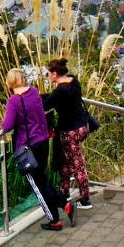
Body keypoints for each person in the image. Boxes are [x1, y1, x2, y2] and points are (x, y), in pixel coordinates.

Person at [0, 67, 66, 230]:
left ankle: (55, 220)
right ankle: (64, 205)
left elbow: (7, 126)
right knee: (42, 179)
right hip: (42, 141)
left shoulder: (14, 101)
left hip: (28, 148)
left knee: (37, 184)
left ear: (10, 82)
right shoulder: (34, 92)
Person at [42, 58, 94, 212]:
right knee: (66, 161)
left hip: (70, 131)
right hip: (82, 126)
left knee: (77, 165)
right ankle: (64, 192)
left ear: (55, 74)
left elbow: (46, 104)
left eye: (48, 75)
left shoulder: (60, 90)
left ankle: (85, 199)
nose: (47, 77)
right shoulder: (73, 81)